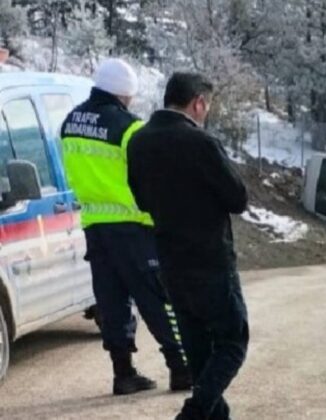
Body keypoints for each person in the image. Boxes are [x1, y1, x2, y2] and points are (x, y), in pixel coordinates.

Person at [61, 59, 190, 395]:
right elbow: (149, 177)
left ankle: (123, 374)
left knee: (111, 300)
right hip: (132, 225)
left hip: (94, 225)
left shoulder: (69, 122)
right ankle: (181, 369)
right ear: (125, 93)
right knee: (157, 299)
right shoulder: (129, 127)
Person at [127, 73, 249, 420]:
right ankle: (193, 414)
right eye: (206, 106)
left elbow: (141, 200)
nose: (206, 113)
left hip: (169, 261)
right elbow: (238, 198)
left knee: (198, 353)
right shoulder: (201, 143)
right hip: (210, 260)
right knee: (231, 343)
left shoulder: (138, 142)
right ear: (198, 103)